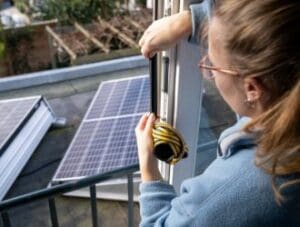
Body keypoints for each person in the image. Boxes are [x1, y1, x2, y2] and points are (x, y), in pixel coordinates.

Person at [135, 0, 300, 226]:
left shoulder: (233, 190)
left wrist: (149, 173)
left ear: (252, 88)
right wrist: (190, 21)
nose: (205, 71)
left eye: (212, 64)